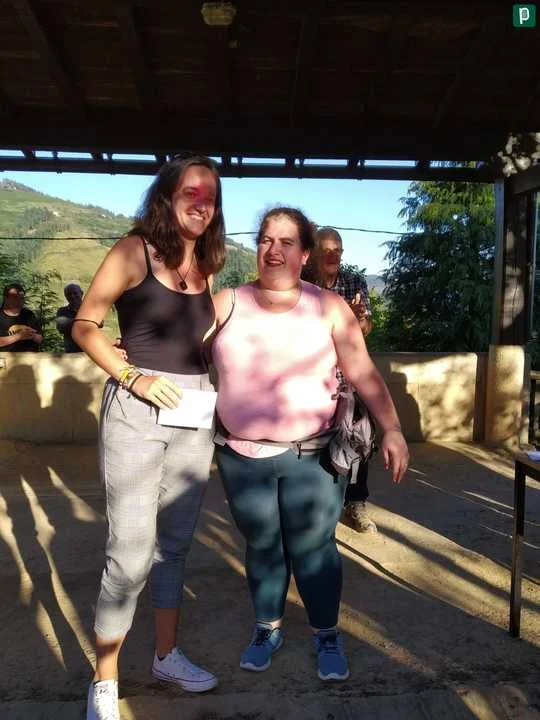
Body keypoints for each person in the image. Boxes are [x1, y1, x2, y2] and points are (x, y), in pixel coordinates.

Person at [209, 207, 408, 683]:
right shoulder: (226, 303)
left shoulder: (329, 307)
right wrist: (132, 352)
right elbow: (179, 351)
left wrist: (393, 429)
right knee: (262, 544)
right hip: (242, 457)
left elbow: (363, 371)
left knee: (314, 546)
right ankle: (267, 628)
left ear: (304, 255)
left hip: (314, 456)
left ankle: (326, 633)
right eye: (265, 240)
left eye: (286, 242)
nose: (273, 250)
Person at [71, 154, 226, 720]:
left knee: (175, 545)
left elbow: (204, 341)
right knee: (131, 551)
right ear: (167, 195)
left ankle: (165, 656)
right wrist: (131, 375)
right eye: (190, 192)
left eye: (210, 196)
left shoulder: (207, 265)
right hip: (137, 409)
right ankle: (105, 680)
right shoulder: (134, 250)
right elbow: (85, 324)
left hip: (194, 411)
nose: (201, 204)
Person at [312, 226, 377, 533]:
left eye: (337, 250)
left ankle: (356, 501)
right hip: (314, 375)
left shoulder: (354, 281)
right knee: (315, 439)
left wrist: (358, 319)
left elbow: (367, 328)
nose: (332, 256)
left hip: (349, 373)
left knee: (361, 436)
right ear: (313, 252)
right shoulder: (303, 284)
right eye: (325, 250)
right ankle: (317, 502)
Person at [0, 283, 43, 351]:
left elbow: (40, 339)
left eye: (21, 298)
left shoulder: (29, 314)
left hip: (30, 356)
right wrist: (19, 336)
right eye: (15, 297)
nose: (19, 301)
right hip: (5, 356)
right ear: (6, 298)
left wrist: (32, 335)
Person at [56, 283, 84, 352]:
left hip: (90, 350)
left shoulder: (89, 308)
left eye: (75, 293)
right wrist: (85, 321)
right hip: (71, 351)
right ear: (66, 297)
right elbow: (60, 327)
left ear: (81, 293)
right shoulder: (62, 311)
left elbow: (100, 323)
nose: (72, 296)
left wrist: (69, 321)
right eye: (68, 294)